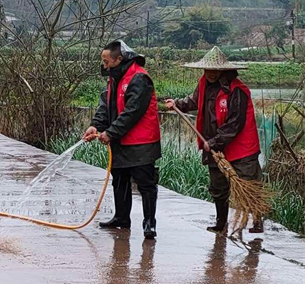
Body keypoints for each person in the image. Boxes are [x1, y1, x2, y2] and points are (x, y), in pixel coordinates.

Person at [165, 46, 263, 234]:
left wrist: (215, 141)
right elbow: (194, 101)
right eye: (207, 70)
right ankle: (221, 222)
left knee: (249, 184)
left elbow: (235, 123)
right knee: (218, 187)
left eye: (214, 70)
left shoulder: (238, 90)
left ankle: (257, 221)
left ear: (223, 70)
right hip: (214, 147)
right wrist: (176, 104)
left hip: (241, 148)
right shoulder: (203, 83)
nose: (210, 74)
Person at [83, 40, 161, 239]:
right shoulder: (114, 78)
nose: (105, 65)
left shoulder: (140, 78)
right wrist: (96, 125)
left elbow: (132, 112)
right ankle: (121, 218)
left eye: (107, 61)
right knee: (119, 181)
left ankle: (149, 223)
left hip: (141, 143)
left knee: (145, 184)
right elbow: (106, 106)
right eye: (103, 61)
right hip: (120, 141)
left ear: (120, 59)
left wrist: (111, 133)